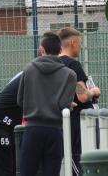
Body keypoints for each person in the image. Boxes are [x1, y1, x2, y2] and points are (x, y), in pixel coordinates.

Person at [17, 31, 76, 176]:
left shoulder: (28, 69)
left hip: (32, 129)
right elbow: (64, 105)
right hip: (54, 131)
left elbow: (20, 100)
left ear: (41, 49)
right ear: (60, 50)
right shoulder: (69, 74)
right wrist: (69, 106)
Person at [58, 27, 101, 176]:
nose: (81, 46)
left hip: (61, 120)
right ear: (73, 43)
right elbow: (82, 96)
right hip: (78, 121)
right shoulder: (73, 64)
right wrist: (95, 91)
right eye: (80, 42)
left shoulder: (53, 63)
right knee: (80, 159)